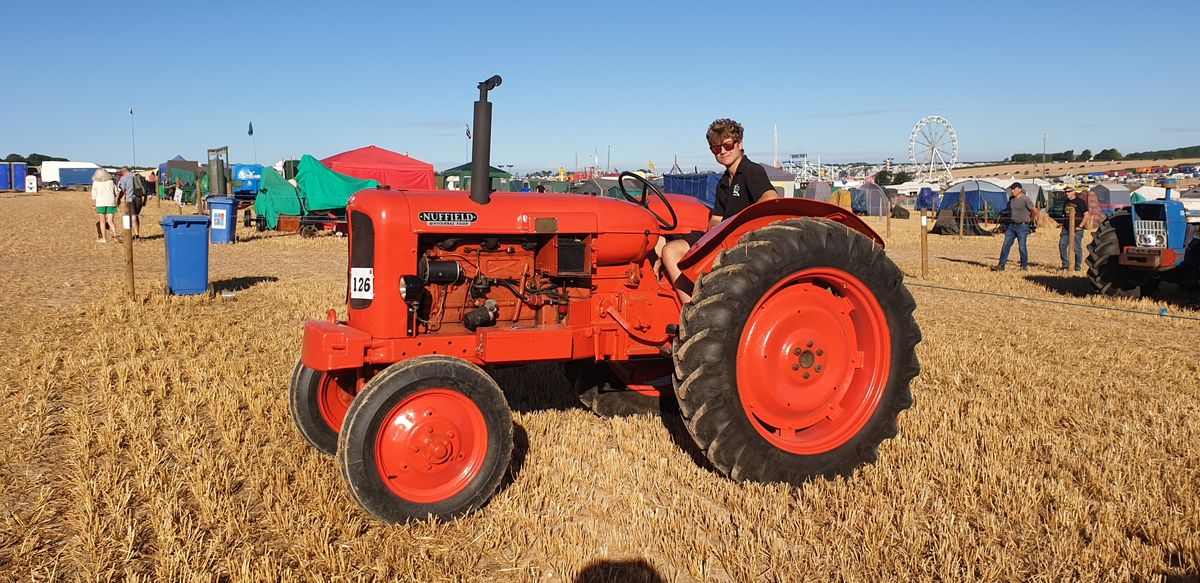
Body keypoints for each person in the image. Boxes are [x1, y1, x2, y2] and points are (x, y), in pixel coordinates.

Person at [660, 118, 780, 302]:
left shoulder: (751, 171)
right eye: (716, 148)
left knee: (670, 251)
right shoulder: (723, 182)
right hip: (720, 237)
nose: (723, 151)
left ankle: (694, 308)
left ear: (740, 144)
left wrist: (739, 226)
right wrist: (715, 229)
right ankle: (688, 302)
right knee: (661, 243)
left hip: (738, 240)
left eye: (728, 145)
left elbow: (770, 198)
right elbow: (716, 218)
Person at [991, 182, 1038, 271]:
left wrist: (1030, 220)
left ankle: (1024, 267)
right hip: (1011, 226)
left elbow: (1034, 210)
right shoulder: (1011, 200)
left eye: (1014, 189)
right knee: (1006, 245)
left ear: (1019, 189)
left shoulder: (1025, 199)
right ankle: (1001, 266)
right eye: (1011, 189)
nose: (1012, 191)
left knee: (1022, 247)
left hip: (1022, 226)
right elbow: (1008, 211)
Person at [1059, 186, 1088, 271]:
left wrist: (1080, 226)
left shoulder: (1080, 202)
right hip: (1066, 228)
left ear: (1073, 192)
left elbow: (1086, 215)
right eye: (1065, 192)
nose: (1067, 193)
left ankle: (1077, 267)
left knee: (1076, 247)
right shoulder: (1066, 202)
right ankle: (1065, 265)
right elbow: (1064, 215)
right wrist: (1062, 226)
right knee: (1062, 245)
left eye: (1068, 191)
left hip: (1077, 229)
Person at [91, 168, 119, 243]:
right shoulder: (111, 182)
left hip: (100, 203)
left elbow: (94, 195)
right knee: (110, 221)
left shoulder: (95, 183)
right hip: (111, 202)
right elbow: (116, 192)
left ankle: (104, 238)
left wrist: (93, 205)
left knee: (102, 221)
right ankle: (115, 235)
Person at [117, 167, 143, 238]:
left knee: (132, 216)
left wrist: (119, 198)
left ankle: (136, 235)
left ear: (122, 172)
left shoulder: (124, 178)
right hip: (139, 198)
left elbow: (123, 190)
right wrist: (145, 199)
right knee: (136, 215)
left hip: (130, 199)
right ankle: (137, 233)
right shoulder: (137, 176)